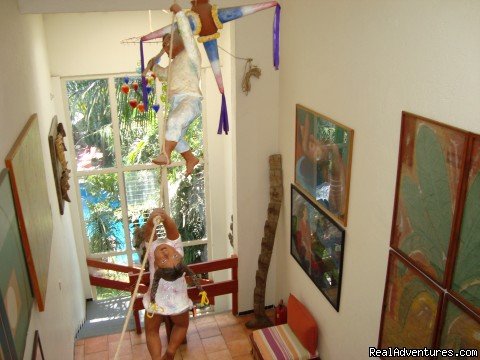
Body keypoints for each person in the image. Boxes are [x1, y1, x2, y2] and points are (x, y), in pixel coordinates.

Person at [143, 3, 201, 176]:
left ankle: (166, 155)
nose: (166, 47)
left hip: (190, 99)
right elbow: (162, 73)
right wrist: (152, 66)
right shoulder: (174, 64)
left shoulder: (191, 55)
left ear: (178, 41)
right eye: (164, 45)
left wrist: (179, 14)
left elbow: (187, 35)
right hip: (176, 101)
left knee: (174, 122)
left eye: (168, 42)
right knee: (174, 132)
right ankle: (190, 158)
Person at [137, 208, 197, 360]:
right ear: (179, 255)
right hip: (178, 302)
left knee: (151, 330)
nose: (165, 253)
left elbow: (150, 232)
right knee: (182, 325)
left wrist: (152, 221)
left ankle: (164, 355)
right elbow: (173, 231)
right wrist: (165, 218)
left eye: (164, 259)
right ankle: (169, 353)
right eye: (170, 256)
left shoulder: (152, 252)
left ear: (156, 265)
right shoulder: (176, 249)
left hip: (156, 302)